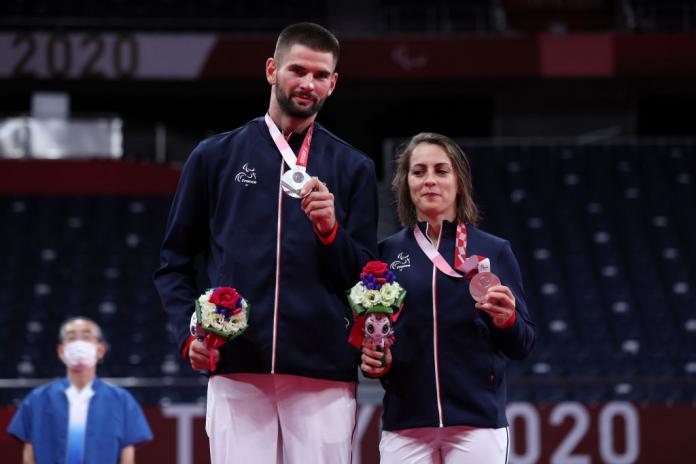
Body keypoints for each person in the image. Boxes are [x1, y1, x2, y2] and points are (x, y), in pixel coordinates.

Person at [153, 22, 378, 463]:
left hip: (322, 372)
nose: (307, 84)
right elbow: (173, 263)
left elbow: (366, 279)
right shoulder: (215, 157)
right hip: (236, 364)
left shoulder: (353, 168)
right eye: (298, 70)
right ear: (272, 69)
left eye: (319, 76)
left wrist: (331, 233)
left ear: (333, 84)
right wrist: (189, 334)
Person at [361, 133, 535, 463]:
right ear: (405, 184)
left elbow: (522, 343)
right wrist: (374, 362)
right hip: (406, 423)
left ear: (459, 181)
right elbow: (374, 335)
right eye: (419, 171)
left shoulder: (494, 250)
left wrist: (507, 320)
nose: (430, 180)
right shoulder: (385, 255)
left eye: (441, 171)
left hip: (477, 423)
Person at [7, 317, 153, 464]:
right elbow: (29, 454)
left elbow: (127, 457)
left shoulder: (122, 400)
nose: (78, 343)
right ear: (61, 351)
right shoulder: (37, 399)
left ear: (100, 349)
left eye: (86, 336)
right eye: (71, 337)